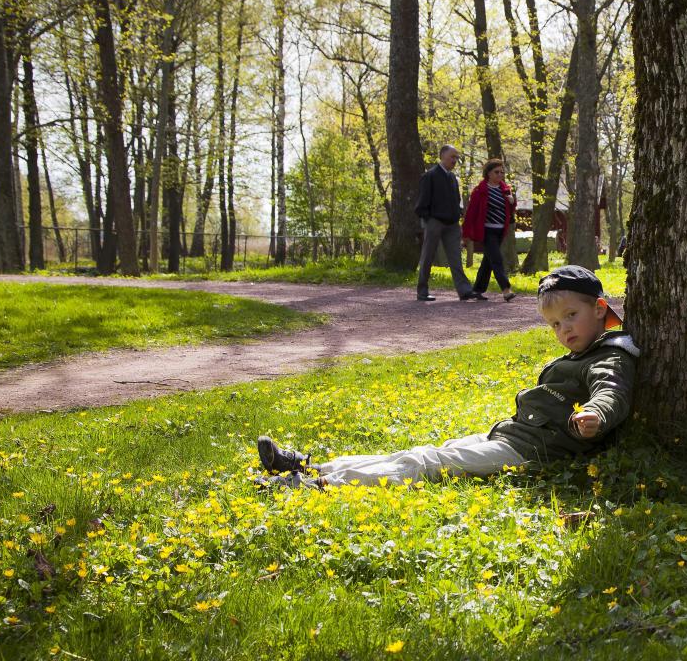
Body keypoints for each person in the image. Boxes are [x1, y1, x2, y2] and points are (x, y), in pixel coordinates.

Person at [256, 265, 637, 488]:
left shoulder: (609, 355)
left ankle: (316, 485)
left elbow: (611, 391)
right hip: (509, 436)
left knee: (428, 464)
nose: (563, 329)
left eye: (571, 316)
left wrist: (597, 414)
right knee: (422, 453)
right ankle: (308, 467)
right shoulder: (580, 352)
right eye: (555, 324)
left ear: (600, 308)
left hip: (532, 451)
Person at [414, 144, 477, 301]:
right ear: (442, 156)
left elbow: (456, 201)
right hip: (434, 222)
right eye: (452, 157)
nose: (455, 160)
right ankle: (422, 291)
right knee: (428, 256)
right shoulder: (430, 176)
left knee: (456, 258)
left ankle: (464, 290)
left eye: (456, 157)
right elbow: (422, 202)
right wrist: (429, 220)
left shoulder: (453, 178)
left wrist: (457, 217)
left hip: (452, 224)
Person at [462, 159, 517, 301]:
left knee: (489, 260)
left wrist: (512, 202)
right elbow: (471, 213)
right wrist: (466, 234)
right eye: (496, 172)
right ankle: (506, 290)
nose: (500, 175)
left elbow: (509, 211)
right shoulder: (480, 191)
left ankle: (477, 290)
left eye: (502, 172)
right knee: (497, 259)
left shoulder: (505, 189)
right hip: (487, 231)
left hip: (500, 231)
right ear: (488, 173)